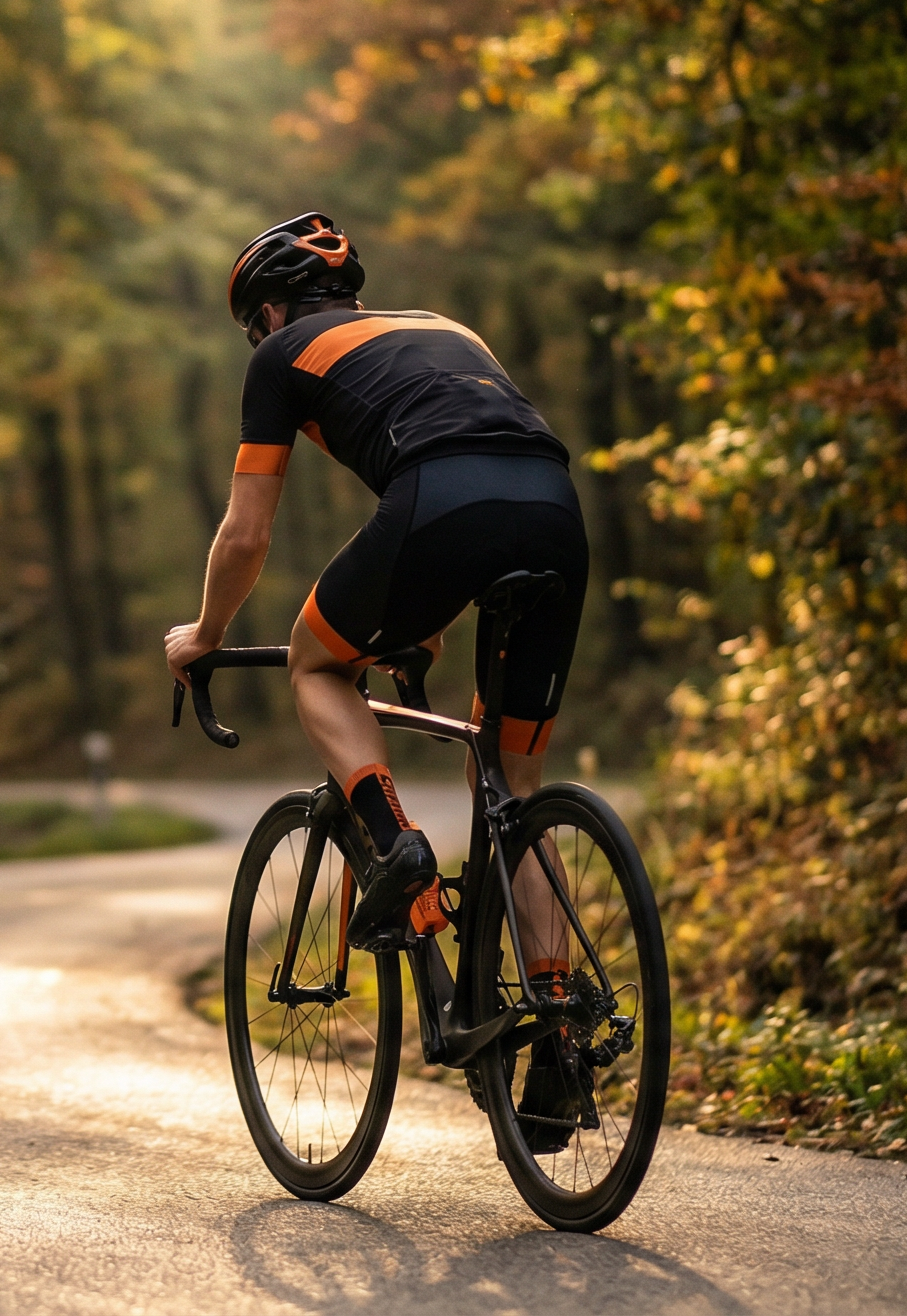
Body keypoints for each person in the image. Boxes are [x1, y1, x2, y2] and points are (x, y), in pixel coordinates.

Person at [162, 211, 591, 1146]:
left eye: (252, 324)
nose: (256, 339)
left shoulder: (283, 357)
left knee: (319, 662)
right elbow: (488, 464)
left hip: (444, 502)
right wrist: (425, 623)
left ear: (269, 309)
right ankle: (559, 1026)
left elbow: (246, 535)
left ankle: (396, 845)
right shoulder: (445, 329)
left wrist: (205, 633)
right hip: (556, 510)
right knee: (516, 787)